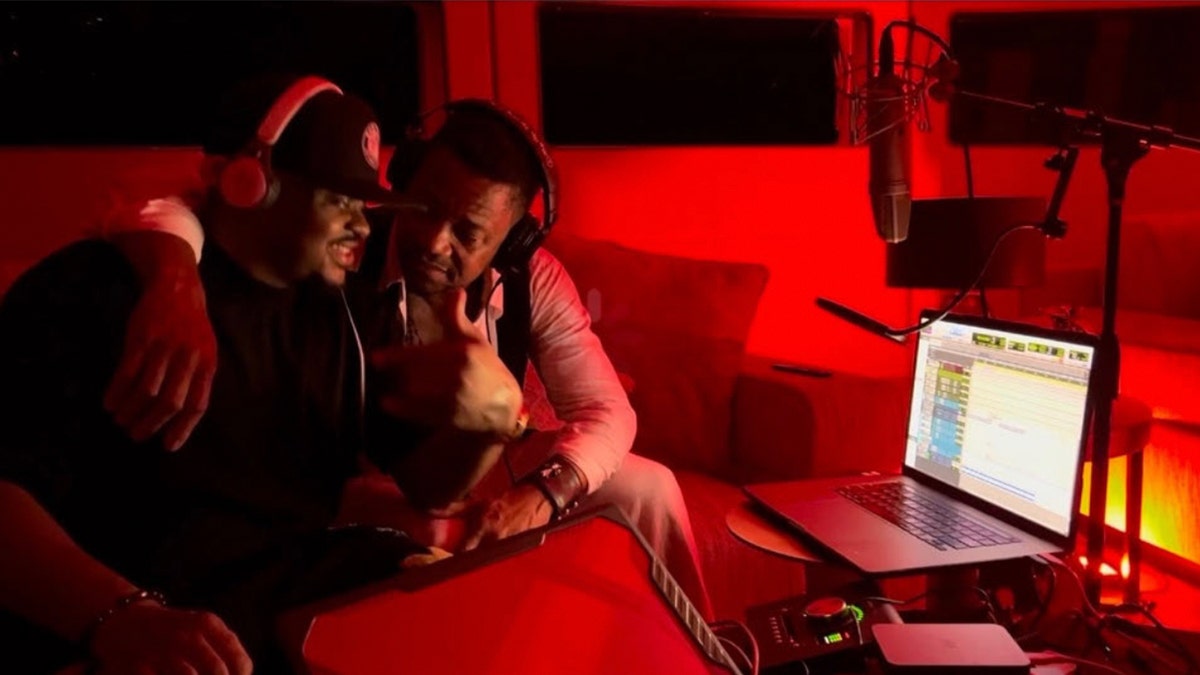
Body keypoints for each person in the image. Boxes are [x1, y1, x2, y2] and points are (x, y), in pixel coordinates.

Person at [104, 99, 715, 620]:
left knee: (649, 485)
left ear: (512, 240)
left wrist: (542, 494)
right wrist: (174, 282)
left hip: (488, 462)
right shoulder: (340, 241)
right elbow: (167, 201)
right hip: (362, 468)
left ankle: (699, 655)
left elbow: (610, 412)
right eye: (424, 209)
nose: (432, 241)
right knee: (429, 533)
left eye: (468, 233)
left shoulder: (536, 279)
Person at [0, 75, 521, 674]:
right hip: (132, 613)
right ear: (254, 185)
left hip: (280, 609)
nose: (363, 227)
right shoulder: (100, 290)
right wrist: (118, 617)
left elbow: (431, 487)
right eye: (339, 201)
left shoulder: (352, 316)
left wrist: (489, 423)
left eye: (365, 204)